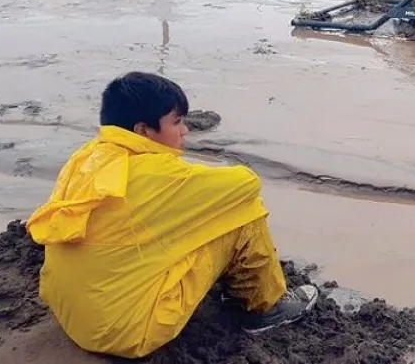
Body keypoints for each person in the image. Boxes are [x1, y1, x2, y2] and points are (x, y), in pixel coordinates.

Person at [26, 72, 318, 359]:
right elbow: (248, 183)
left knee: (183, 223)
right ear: (143, 130)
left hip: (71, 314)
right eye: (176, 122)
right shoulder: (157, 175)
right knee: (244, 213)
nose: (185, 131)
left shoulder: (87, 157)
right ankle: (265, 308)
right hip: (123, 332)